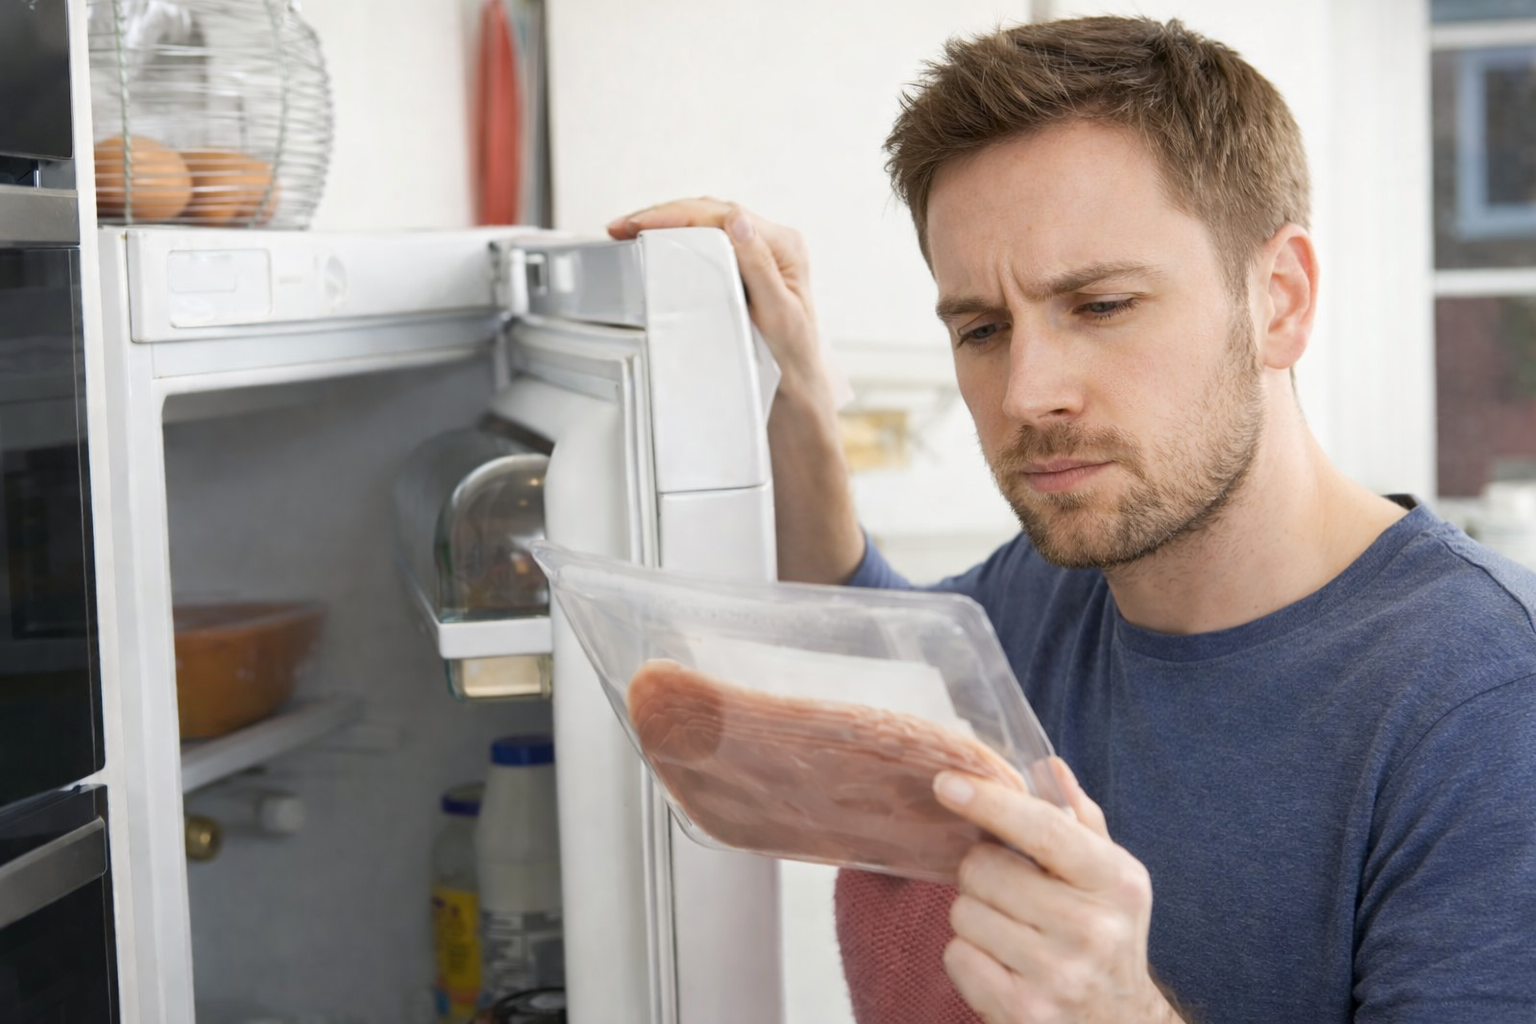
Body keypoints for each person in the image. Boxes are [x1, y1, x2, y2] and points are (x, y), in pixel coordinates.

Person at [608, 15, 1536, 1024]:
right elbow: (873, 651)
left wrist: (1119, 1012)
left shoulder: (1486, 700)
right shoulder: (1059, 582)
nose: (1027, 394)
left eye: (1099, 305)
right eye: (981, 328)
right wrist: (791, 379)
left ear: (1279, 300)